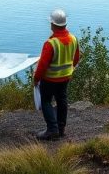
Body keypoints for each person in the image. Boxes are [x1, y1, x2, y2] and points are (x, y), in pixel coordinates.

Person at [33, 8, 81, 140]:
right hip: (65, 78)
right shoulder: (74, 39)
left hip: (49, 79)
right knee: (62, 100)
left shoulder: (51, 43)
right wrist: (70, 70)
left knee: (46, 101)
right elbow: (76, 58)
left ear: (53, 25)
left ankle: (52, 130)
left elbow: (42, 65)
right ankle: (61, 128)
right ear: (65, 24)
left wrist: (36, 79)